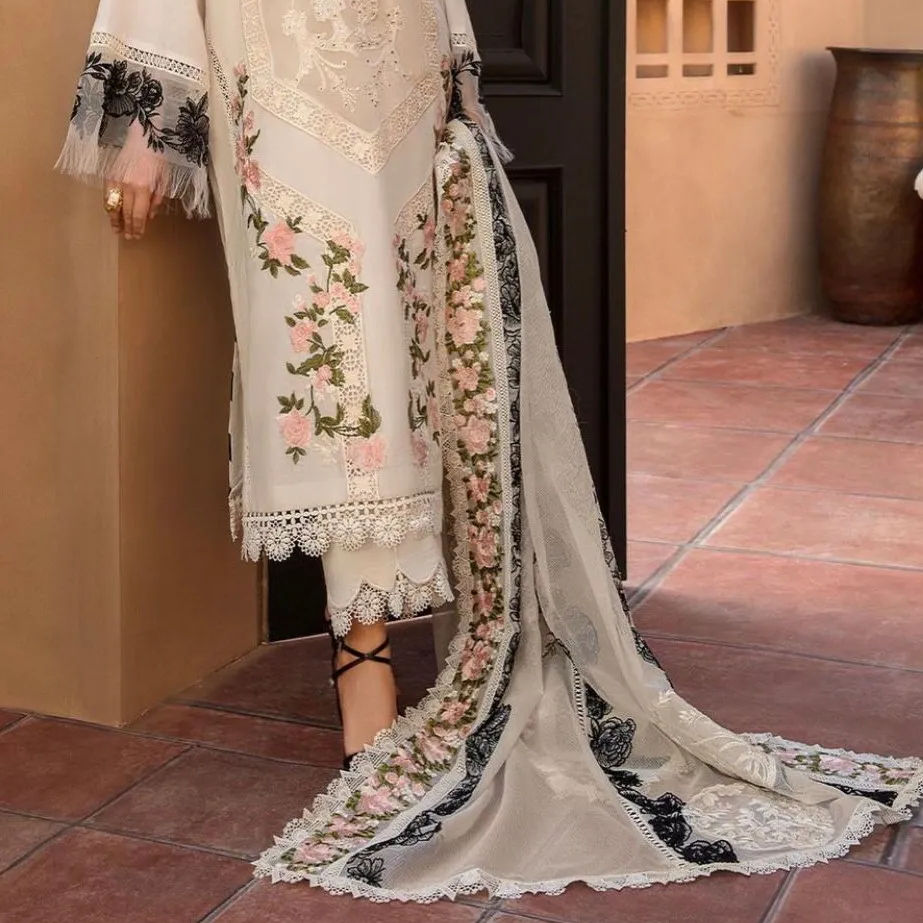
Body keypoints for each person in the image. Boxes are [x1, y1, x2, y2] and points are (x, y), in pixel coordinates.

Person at [58, 0, 921, 903]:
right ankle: (363, 659)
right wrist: (146, 129)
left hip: (404, 82)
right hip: (282, 85)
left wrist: (456, 89)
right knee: (334, 358)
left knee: (428, 362)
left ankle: (430, 638)